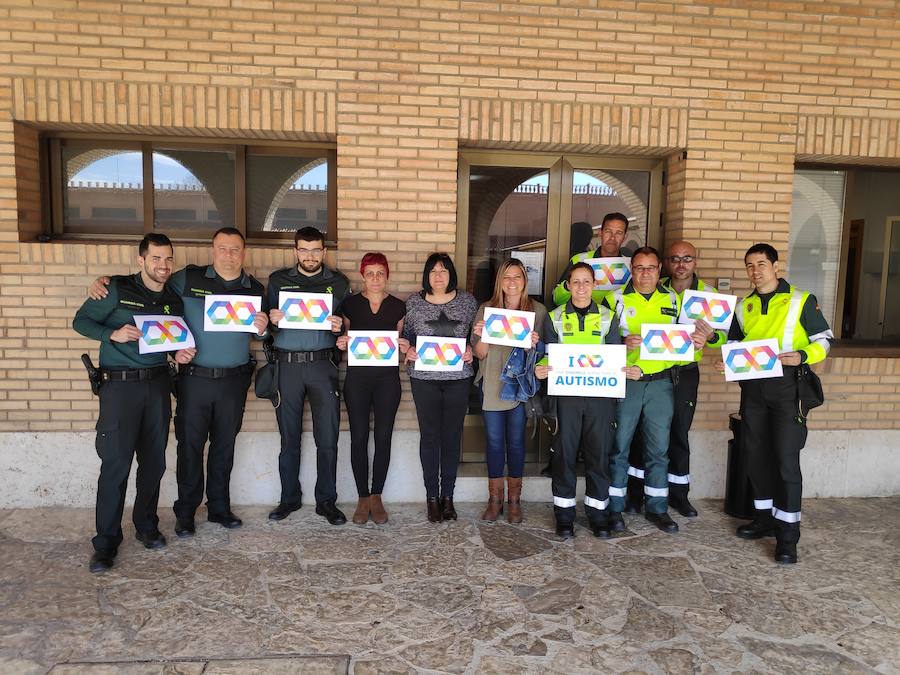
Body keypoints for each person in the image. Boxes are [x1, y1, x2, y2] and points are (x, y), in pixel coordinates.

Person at [88, 228, 269, 538]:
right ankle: (186, 511)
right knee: (190, 447)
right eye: (223, 248)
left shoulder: (254, 287)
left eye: (235, 249)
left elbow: (259, 333)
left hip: (235, 380)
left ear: (244, 253)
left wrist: (263, 329)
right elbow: (149, 282)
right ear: (213, 251)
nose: (229, 254)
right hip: (193, 379)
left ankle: (219, 508)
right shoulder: (188, 278)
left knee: (224, 447)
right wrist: (107, 281)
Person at [74, 233, 182, 573]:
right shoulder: (115, 289)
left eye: (167, 260)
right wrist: (112, 334)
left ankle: (146, 526)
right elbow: (81, 321)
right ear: (141, 260)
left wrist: (179, 352)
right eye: (156, 259)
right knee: (116, 465)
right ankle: (105, 543)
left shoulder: (173, 301)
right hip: (119, 390)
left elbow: (170, 341)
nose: (162, 266)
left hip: (158, 386)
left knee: (154, 463)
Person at [721, 243, 833, 564]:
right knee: (754, 456)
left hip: (789, 388)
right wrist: (728, 361)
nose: (755, 271)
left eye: (761, 264)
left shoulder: (800, 300)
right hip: (754, 390)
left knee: (785, 461)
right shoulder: (744, 307)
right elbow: (733, 343)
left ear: (775, 266)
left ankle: (788, 536)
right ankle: (765, 519)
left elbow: (825, 339)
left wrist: (803, 355)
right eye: (749, 266)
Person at [605, 247, 707, 534]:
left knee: (659, 449)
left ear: (659, 270)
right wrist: (621, 343)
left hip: (662, 383)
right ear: (631, 270)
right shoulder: (615, 300)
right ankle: (615, 509)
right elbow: (598, 343)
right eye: (639, 267)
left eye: (651, 267)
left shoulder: (674, 300)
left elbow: (687, 341)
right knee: (619, 447)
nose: (646, 273)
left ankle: (657, 508)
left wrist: (699, 341)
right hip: (627, 382)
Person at [624, 240, 724, 517]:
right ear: (666, 264)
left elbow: (723, 335)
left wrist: (710, 337)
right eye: (675, 259)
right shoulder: (661, 290)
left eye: (687, 259)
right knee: (640, 436)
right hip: (647, 374)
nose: (681, 264)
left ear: (696, 261)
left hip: (685, 373)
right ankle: (637, 493)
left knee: (678, 432)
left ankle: (678, 495)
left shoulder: (709, 295)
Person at [267, 226, 351, 525]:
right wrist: (272, 321)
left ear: (324, 252)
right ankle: (288, 499)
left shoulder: (339, 283)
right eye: (304, 249)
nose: (310, 256)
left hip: (322, 365)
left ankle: (326, 501)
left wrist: (339, 327)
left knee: (327, 437)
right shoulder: (278, 281)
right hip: (287, 365)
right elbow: (263, 324)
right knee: (289, 437)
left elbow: (347, 330)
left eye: (316, 250)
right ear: (295, 251)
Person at [536, 262, 621, 539]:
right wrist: (542, 368)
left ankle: (598, 515)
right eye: (576, 282)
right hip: (566, 398)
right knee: (564, 456)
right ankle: (564, 517)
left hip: (600, 397)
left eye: (587, 282)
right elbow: (547, 354)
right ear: (568, 286)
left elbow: (615, 355)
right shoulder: (555, 317)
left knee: (599, 456)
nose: (581, 287)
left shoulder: (609, 317)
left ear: (594, 285)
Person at [403, 252, 478, 523]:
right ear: (427, 275)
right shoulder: (414, 302)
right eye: (433, 270)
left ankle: (448, 497)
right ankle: (431, 498)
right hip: (424, 379)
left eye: (444, 270)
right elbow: (405, 336)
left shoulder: (468, 301)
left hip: (458, 379)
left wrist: (472, 349)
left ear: (451, 274)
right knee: (430, 436)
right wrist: (408, 349)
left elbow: (477, 335)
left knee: (451, 437)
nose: (438, 275)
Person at [471, 258, 546, 524]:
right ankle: (495, 499)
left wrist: (533, 347)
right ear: (499, 281)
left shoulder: (537, 312)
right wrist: (484, 337)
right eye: (507, 277)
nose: (512, 282)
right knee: (493, 443)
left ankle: (514, 501)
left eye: (517, 277)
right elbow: (479, 354)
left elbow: (543, 359)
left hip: (519, 388)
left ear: (525, 281)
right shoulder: (486, 310)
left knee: (515, 443)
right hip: (491, 383)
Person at [335, 252, 407, 525]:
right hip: (357, 381)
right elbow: (345, 339)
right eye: (370, 273)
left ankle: (377, 495)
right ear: (362, 275)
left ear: (387, 275)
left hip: (387, 381)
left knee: (384, 437)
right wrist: (342, 343)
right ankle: (362, 496)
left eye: (380, 273)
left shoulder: (398, 307)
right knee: (359, 437)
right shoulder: (350, 305)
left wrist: (404, 347)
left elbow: (401, 344)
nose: (375, 278)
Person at [552, 212, 630, 307]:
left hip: (617, 320)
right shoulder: (580, 260)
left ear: (625, 237)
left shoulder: (631, 266)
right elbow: (557, 299)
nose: (612, 237)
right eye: (608, 231)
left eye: (619, 233)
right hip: (582, 318)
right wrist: (569, 285)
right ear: (600, 233)